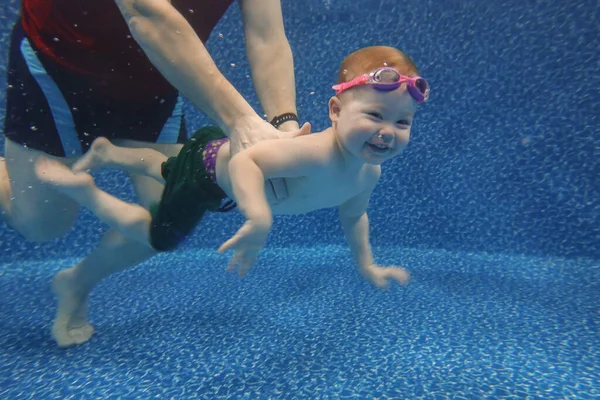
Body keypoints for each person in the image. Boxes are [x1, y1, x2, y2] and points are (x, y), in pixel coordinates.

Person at [35, 46, 430, 341]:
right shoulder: (316, 152)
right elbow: (248, 164)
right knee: (160, 236)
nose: (387, 131)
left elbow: (354, 216)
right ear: (335, 111)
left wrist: (366, 264)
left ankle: (111, 153)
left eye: (402, 122)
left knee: (170, 168)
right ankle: (85, 191)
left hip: (209, 159)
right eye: (374, 115)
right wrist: (258, 217)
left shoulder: (367, 174)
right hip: (209, 177)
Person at [0, 0, 306, 347]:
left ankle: (75, 283)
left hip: (152, 84)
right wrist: (241, 122)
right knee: (43, 226)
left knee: (168, 221)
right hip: (57, 70)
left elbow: (267, 36)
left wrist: (285, 131)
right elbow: (145, 13)